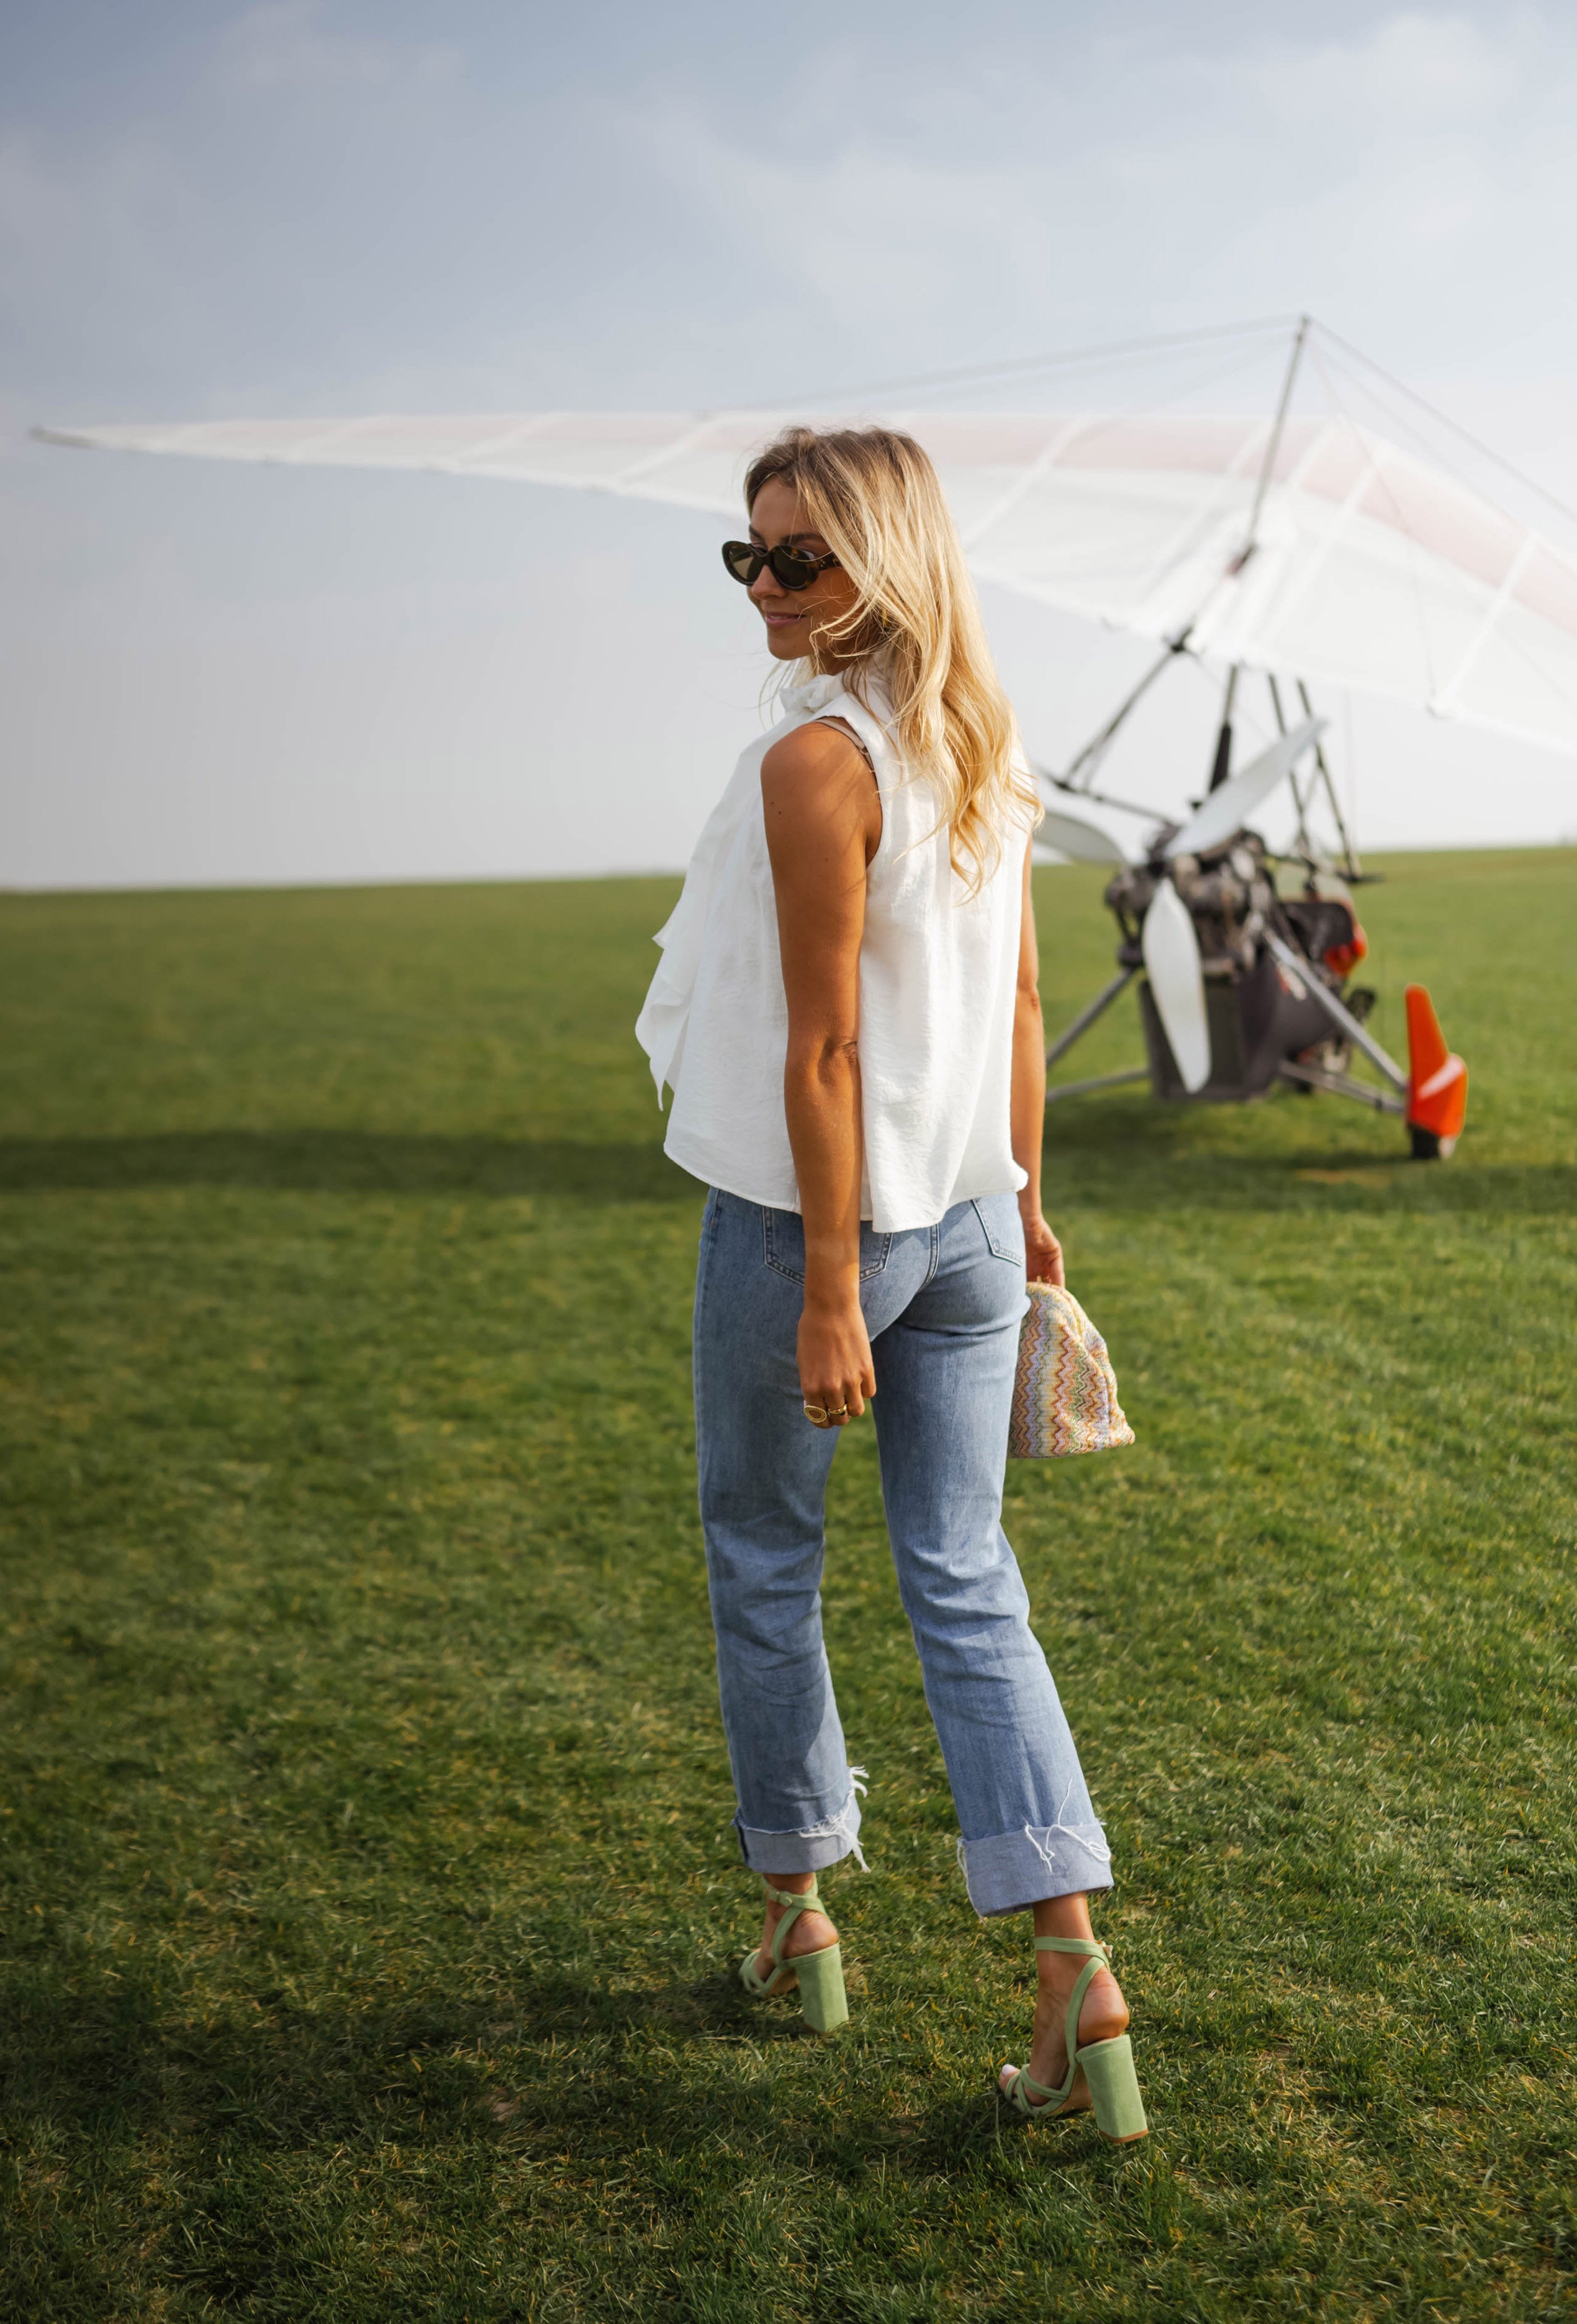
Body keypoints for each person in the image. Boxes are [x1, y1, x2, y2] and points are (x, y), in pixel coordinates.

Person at [635, 425, 1147, 2140]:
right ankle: (1074, 1976)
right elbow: (1009, 1012)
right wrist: (1030, 1206)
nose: (765, 588)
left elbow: (827, 1046)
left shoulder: (820, 765)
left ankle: (800, 1926)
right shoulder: (983, 746)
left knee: (766, 1554)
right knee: (963, 1573)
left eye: (802, 560)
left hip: (819, 1229)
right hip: (980, 1219)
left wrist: (830, 1285)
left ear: (889, 564)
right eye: (748, 556)